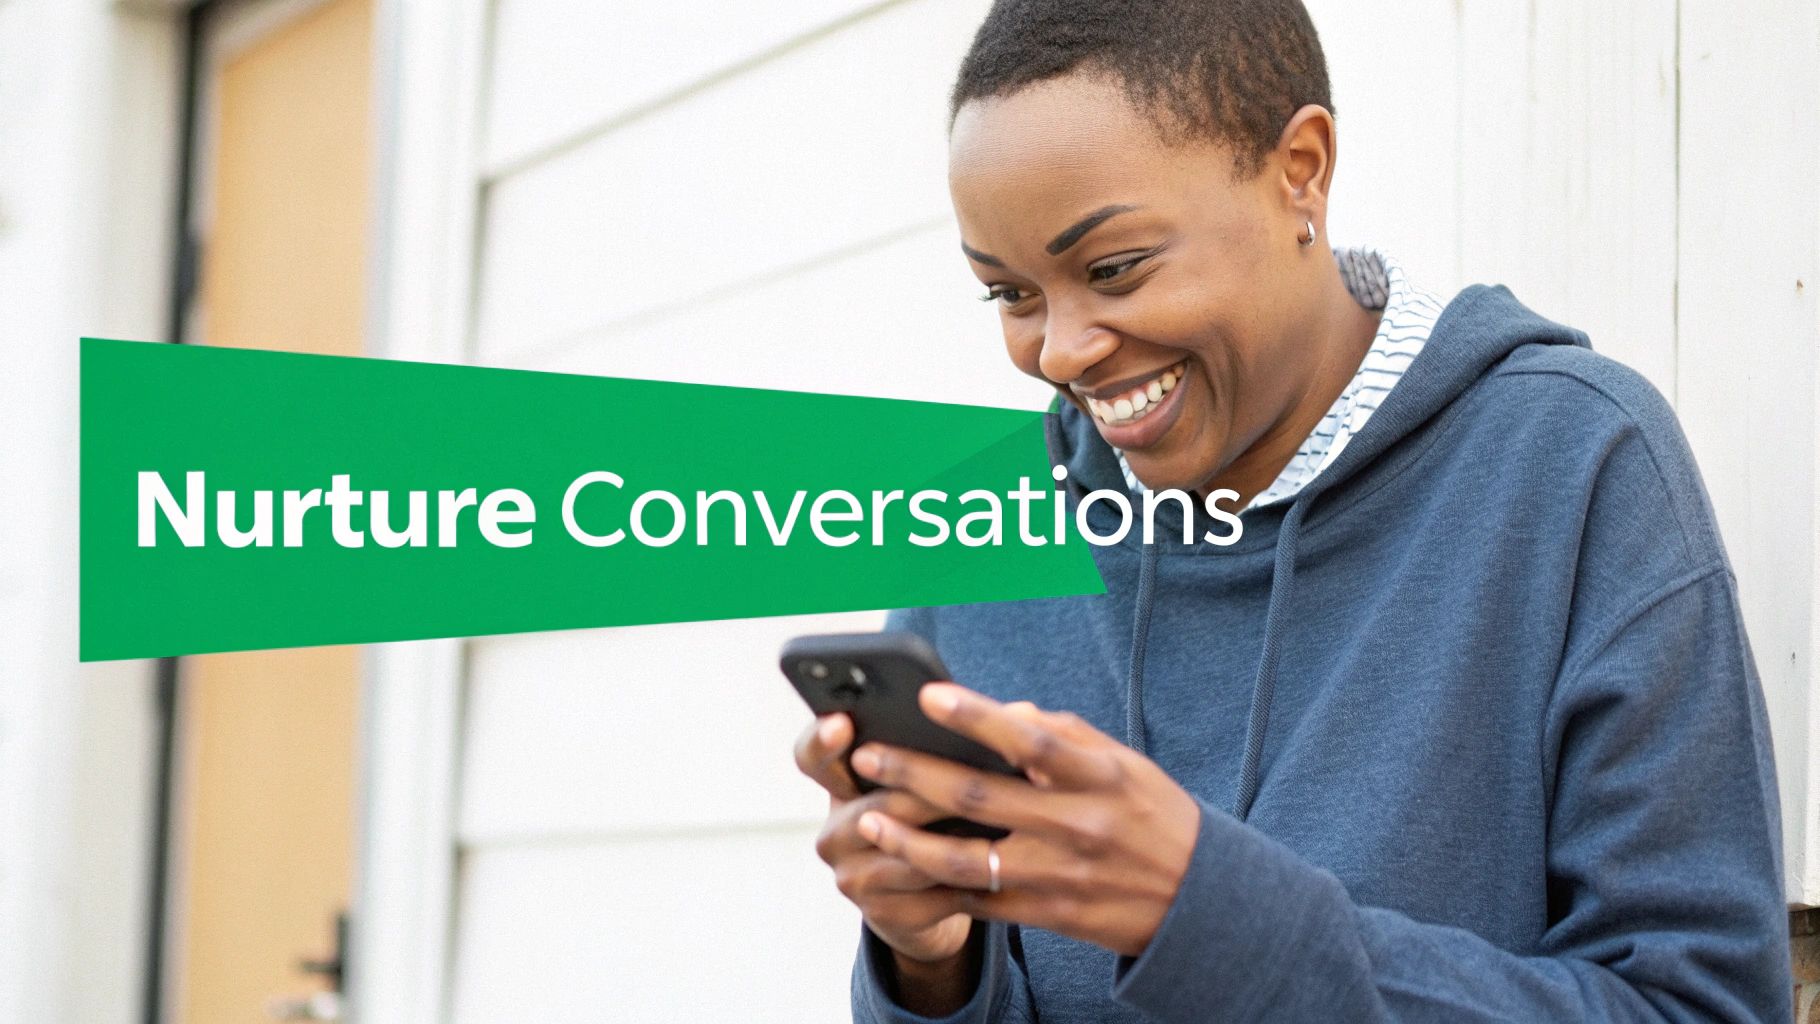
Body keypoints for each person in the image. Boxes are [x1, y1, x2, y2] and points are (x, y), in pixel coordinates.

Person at [791, 0, 1793, 1020]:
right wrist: (927, 960)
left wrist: (1209, 914)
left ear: (1300, 167)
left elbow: (1700, 1003)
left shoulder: (1567, 467)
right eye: (1008, 294)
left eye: (1111, 269)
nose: (1058, 352)